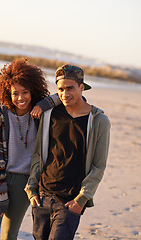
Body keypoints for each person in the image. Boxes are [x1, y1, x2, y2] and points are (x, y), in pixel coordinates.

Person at [25, 64, 111, 239]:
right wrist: (31, 189)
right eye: (60, 89)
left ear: (82, 87)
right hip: (42, 197)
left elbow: (98, 166)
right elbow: (38, 155)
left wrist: (81, 199)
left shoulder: (98, 121)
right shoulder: (50, 115)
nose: (65, 94)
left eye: (70, 88)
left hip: (70, 201)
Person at [0, 58, 58, 239]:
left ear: (33, 91)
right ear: (8, 92)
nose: (20, 98)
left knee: (9, 235)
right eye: (15, 93)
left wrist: (44, 104)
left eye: (25, 92)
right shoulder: (1, 113)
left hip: (25, 183)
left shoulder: (41, 114)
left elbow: (68, 96)